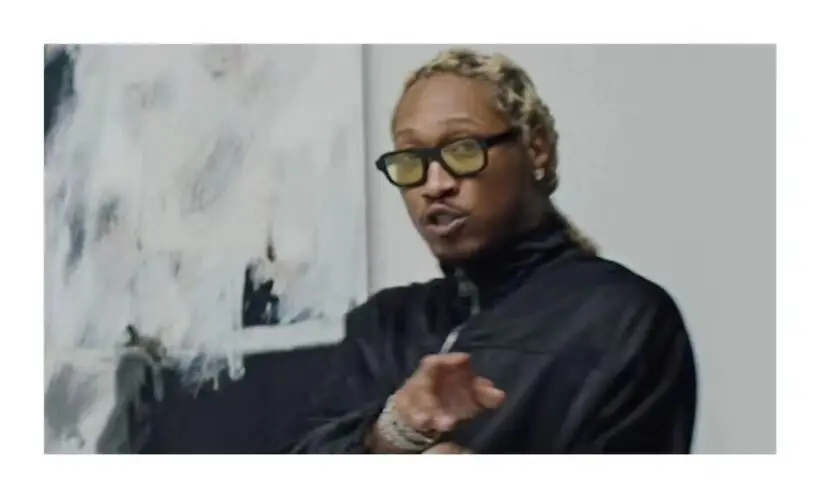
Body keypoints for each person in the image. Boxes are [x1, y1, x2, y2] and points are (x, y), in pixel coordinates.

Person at [290, 48, 697, 454]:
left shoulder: (621, 318)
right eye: (411, 160)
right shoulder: (384, 326)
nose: (434, 184)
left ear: (536, 149)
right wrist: (390, 437)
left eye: (463, 150)